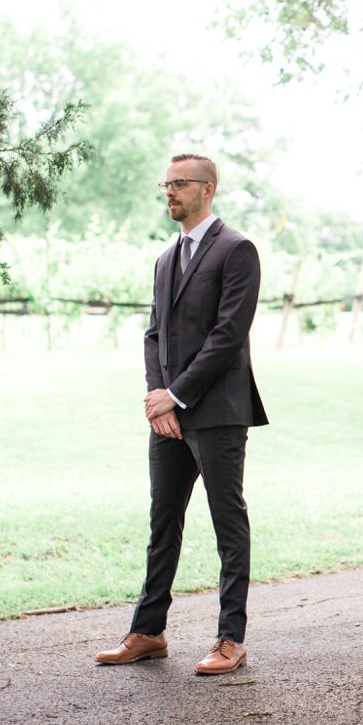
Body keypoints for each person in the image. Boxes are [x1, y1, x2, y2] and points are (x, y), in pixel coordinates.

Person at [96, 153, 269, 675]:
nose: (169, 193)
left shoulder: (238, 250)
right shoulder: (165, 257)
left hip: (217, 412)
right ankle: (148, 632)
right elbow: (155, 334)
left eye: (180, 184)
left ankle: (230, 640)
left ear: (208, 189)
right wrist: (157, 396)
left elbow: (227, 336)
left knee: (227, 523)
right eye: (165, 185)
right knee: (162, 521)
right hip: (169, 415)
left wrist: (179, 394)